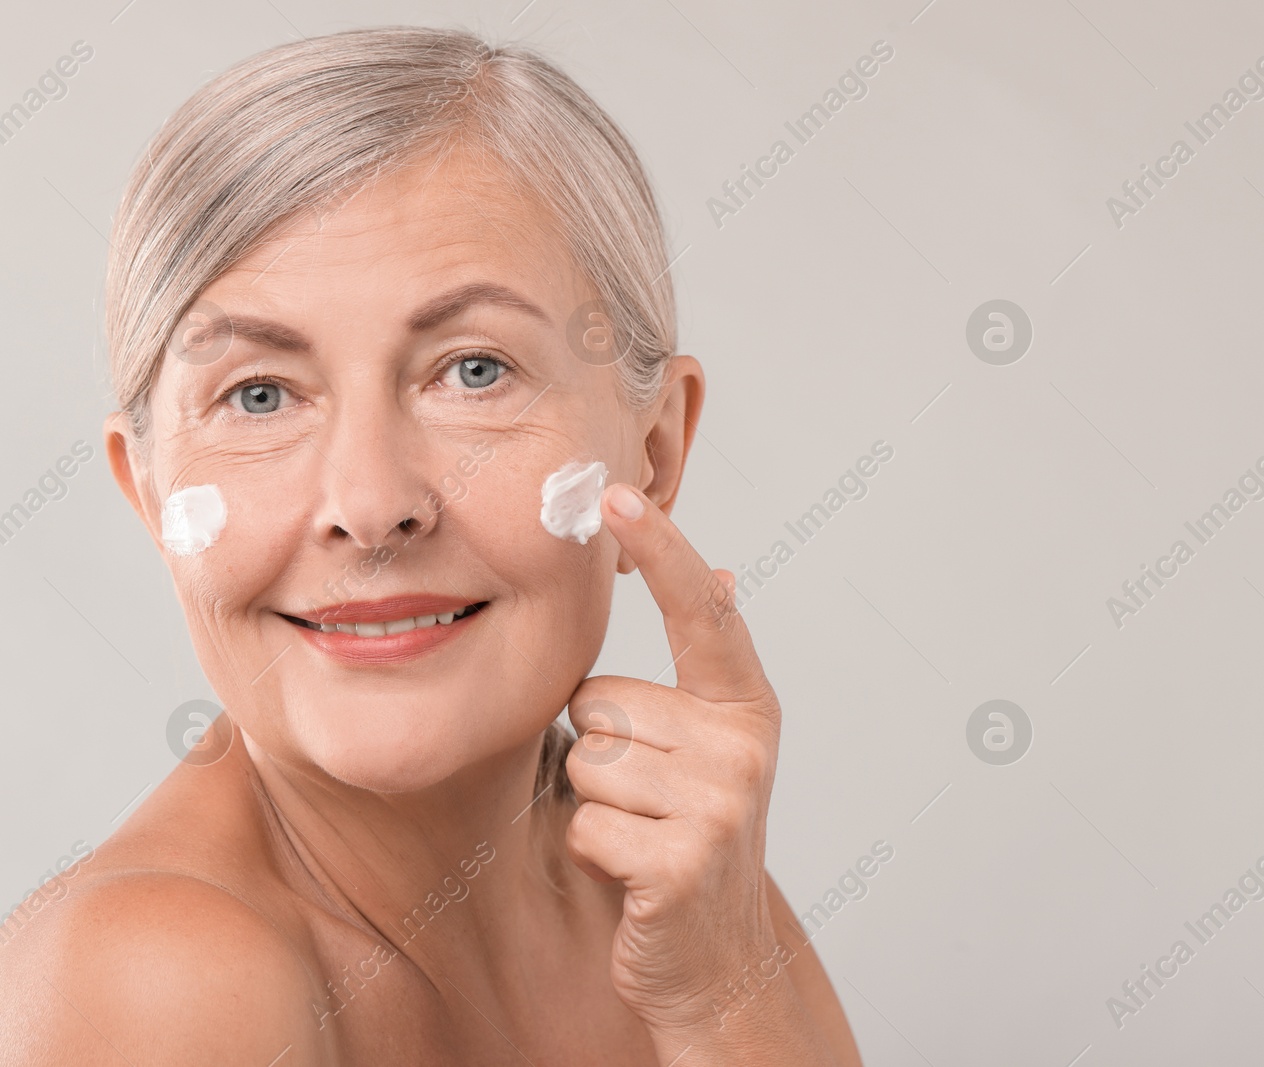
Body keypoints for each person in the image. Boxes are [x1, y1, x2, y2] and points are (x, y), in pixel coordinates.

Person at [0, 25, 862, 1066]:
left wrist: (723, 992)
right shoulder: (157, 981)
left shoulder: (688, 887)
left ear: (652, 450)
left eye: (473, 372)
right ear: (150, 497)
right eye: (259, 394)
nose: (371, 505)